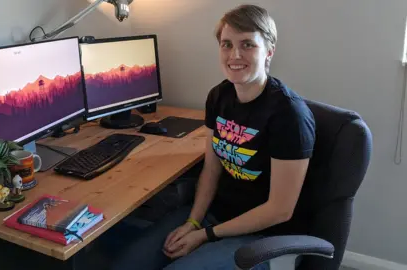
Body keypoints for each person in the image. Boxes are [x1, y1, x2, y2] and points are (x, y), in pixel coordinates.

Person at [108, 4, 316, 270]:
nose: (235, 55)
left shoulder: (290, 115)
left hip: (263, 235)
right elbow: (211, 168)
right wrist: (193, 222)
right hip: (215, 216)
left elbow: (279, 210)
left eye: (248, 45)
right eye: (227, 44)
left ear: (269, 51)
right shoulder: (219, 96)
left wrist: (205, 235)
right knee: (127, 265)